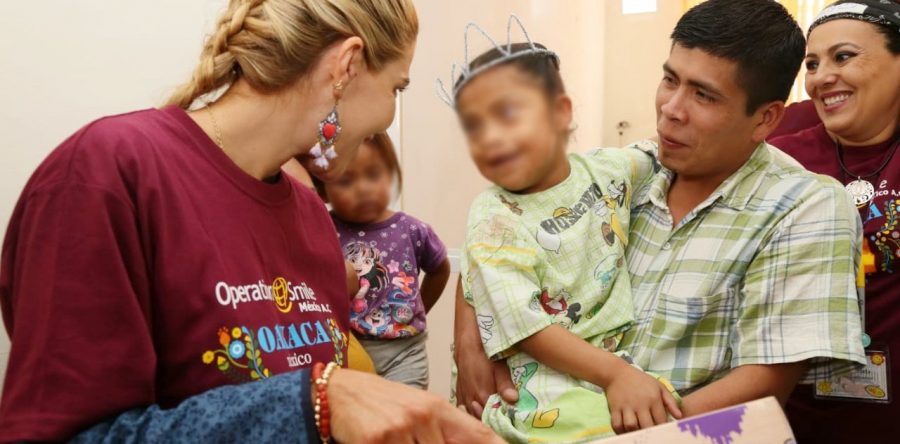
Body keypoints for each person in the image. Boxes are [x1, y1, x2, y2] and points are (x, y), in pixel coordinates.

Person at [0, 0, 499, 442]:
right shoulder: (107, 173)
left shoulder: (311, 219)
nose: (389, 114)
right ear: (345, 66)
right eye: (397, 87)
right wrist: (318, 402)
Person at [454, 0, 866, 433]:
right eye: (670, 80)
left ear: (764, 119)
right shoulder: (627, 170)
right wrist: (470, 340)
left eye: (703, 95)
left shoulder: (804, 206)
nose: (672, 108)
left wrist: (614, 432)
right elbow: (503, 222)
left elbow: (763, 382)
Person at [446, 19, 682, 440]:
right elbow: (527, 327)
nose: (491, 138)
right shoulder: (494, 215)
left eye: (508, 114)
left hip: (608, 359)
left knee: (663, 411)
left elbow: (666, 150)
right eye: (474, 125)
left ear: (561, 113)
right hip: (536, 374)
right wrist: (614, 375)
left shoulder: (611, 169)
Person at [768, 1, 900, 441]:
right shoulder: (779, 152)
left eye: (843, 57)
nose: (821, 77)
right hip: (792, 411)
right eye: (812, 63)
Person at [314, 133, 451, 388]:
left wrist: (420, 307)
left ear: (390, 174)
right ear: (323, 189)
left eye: (374, 174)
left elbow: (440, 269)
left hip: (405, 353)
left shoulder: (413, 230)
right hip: (349, 348)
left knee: (406, 417)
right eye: (346, 180)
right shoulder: (322, 229)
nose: (363, 188)